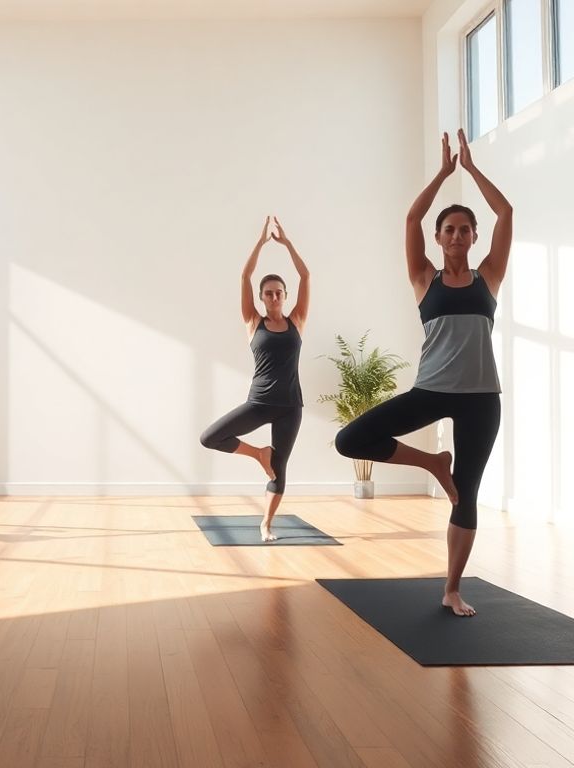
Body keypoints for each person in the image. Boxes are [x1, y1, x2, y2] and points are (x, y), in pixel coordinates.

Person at [334, 130, 512, 616]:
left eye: (464, 230)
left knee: (468, 493)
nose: (456, 236)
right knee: (351, 439)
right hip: (430, 390)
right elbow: (411, 217)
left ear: (474, 237)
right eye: (448, 230)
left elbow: (506, 214)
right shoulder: (423, 279)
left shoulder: (489, 277)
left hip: (480, 397)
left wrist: (472, 170)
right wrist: (443, 174)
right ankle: (433, 464)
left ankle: (452, 587)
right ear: (438, 238)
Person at [201, 216, 311, 542]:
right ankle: (258, 453)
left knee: (280, 469)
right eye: (268, 294)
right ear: (261, 298)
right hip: (259, 403)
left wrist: (288, 243)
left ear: (285, 296)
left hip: (291, 405)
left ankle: (266, 524)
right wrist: (261, 243)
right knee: (211, 437)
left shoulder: (297, 321)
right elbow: (245, 275)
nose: (274, 298)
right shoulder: (253, 322)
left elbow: (305, 275)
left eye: (279, 293)